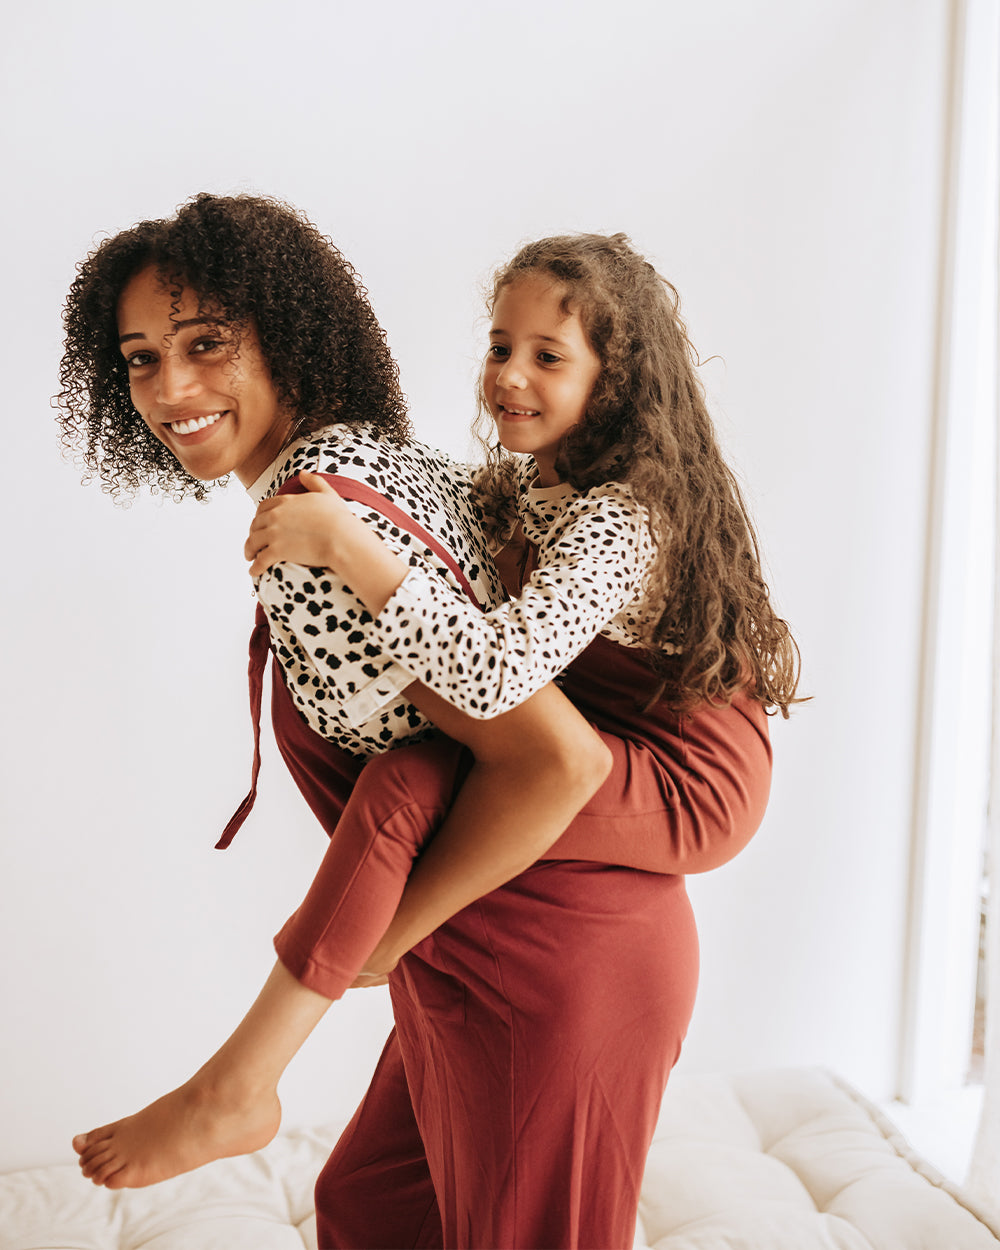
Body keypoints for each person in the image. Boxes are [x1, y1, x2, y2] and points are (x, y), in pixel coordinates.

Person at [62, 203, 798, 1248]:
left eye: (207, 342)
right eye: (500, 346)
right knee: (368, 1205)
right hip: (526, 936)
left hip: (689, 789)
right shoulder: (487, 484)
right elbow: (473, 550)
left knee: (409, 784)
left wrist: (389, 937)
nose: (508, 375)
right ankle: (251, 1069)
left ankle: (244, 1077)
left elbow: (545, 737)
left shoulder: (620, 515)